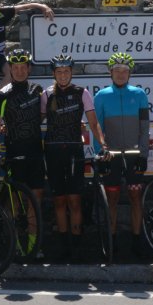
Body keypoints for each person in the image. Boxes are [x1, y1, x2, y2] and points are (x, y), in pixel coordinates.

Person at [41, 54, 107, 261]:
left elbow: (93, 123)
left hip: (73, 150)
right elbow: (36, 120)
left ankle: (77, 246)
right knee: (59, 201)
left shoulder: (81, 93)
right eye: (59, 72)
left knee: (74, 200)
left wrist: (103, 144)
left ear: (71, 72)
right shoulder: (46, 94)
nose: (63, 75)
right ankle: (63, 246)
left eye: (66, 71)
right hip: (52, 151)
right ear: (54, 74)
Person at [93, 52, 150, 259]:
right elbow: (96, 127)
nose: (120, 74)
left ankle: (136, 241)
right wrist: (101, 153)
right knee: (112, 199)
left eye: (124, 71)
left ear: (129, 73)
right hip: (112, 156)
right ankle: (112, 241)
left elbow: (144, 128)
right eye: (116, 70)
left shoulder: (140, 94)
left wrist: (144, 154)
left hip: (134, 155)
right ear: (110, 72)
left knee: (135, 198)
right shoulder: (101, 96)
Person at [0, 48, 46, 258]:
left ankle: (33, 245)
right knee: (15, 200)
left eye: (23, 67)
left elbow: (42, 115)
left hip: (35, 152)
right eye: (16, 67)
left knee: (35, 200)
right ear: (11, 69)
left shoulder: (37, 90)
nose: (20, 71)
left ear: (29, 68)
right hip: (14, 153)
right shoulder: (3, 95)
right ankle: (15, 243)